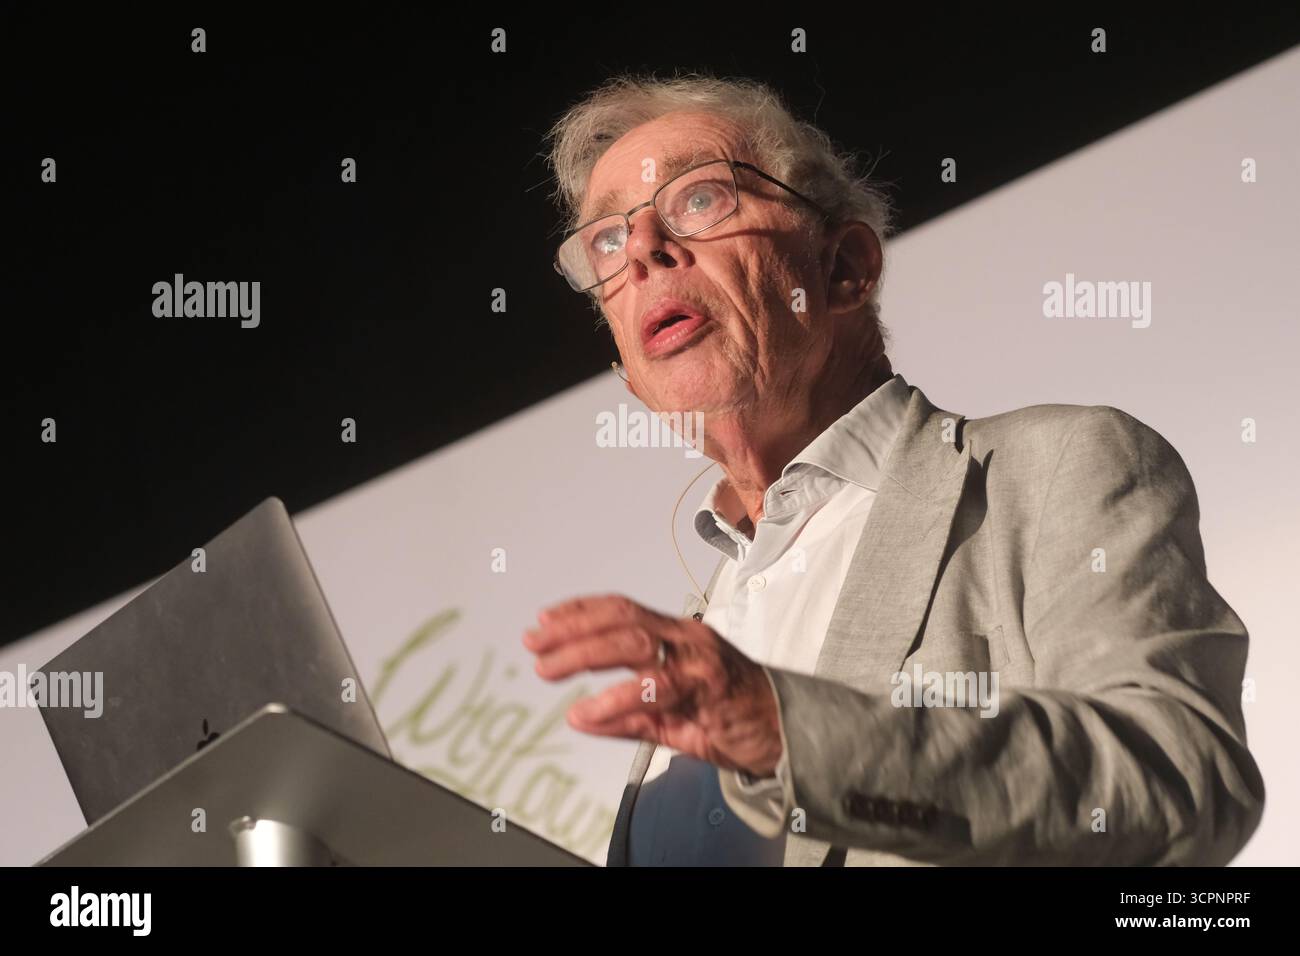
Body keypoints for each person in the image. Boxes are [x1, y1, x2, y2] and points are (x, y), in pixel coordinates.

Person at [522, 73, 1264, 866]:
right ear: (626, 367)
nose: (641, 252)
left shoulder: (1052, 473)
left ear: (844, 269)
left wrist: (789, 732)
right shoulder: (706, 623)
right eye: (606, 240)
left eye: (699, 200)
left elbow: (1183, 779)